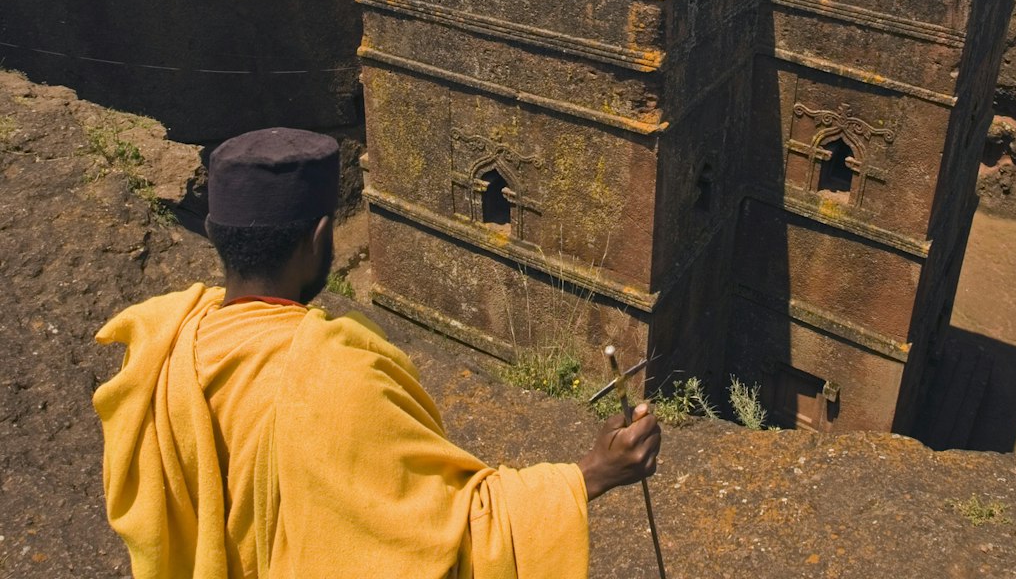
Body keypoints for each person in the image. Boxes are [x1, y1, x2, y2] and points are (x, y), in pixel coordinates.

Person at [93, 127, 660, 579]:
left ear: (217, 234)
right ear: (320, 237)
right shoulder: (334, 375)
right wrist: (592, 474)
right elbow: (450, 535)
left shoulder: (160, 350)